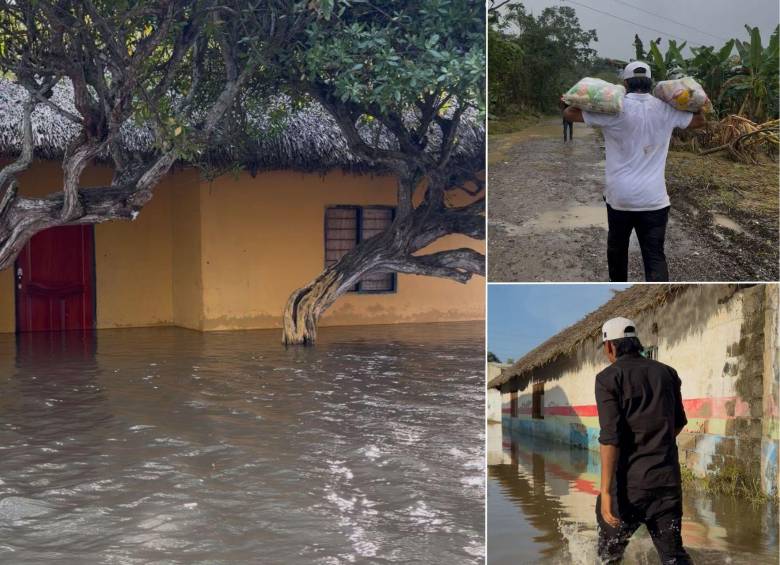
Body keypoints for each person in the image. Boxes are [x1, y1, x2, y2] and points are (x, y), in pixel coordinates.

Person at [562, 61, 706, 282]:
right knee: (654, 255)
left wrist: (611, 93)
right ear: (650, 83)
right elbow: (699, 121)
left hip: (620, 198)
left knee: (617, 251)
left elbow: (569, 113)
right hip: (654, 199)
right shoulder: (665, 109)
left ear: (626, 83)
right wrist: (690, 102)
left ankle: (618, 284)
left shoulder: (614, 109)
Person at [594, 316, 692, 564]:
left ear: (610, 346)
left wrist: (605, 492)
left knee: (608, 557)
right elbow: (678, 423)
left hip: (628, 488)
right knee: (673, 557)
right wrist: (655, 443)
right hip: (667, 484)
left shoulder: (608, 378)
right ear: (635, 342)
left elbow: (610, 438)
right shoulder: (668, 373)